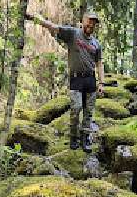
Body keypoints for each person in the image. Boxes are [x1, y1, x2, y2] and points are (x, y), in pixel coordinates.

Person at [26, 12, 105, 152]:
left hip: (90, 79)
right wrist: (33, 17)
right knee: (76, 108)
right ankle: (73, 136)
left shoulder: (96, 44)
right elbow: (53, 26)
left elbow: (99, 64)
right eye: (89, 21)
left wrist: (101, 83)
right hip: (76, 78)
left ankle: (85, 137)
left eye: (94, 23)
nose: (91, 25)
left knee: (89, 111)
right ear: (83, 21)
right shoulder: (73, 34)